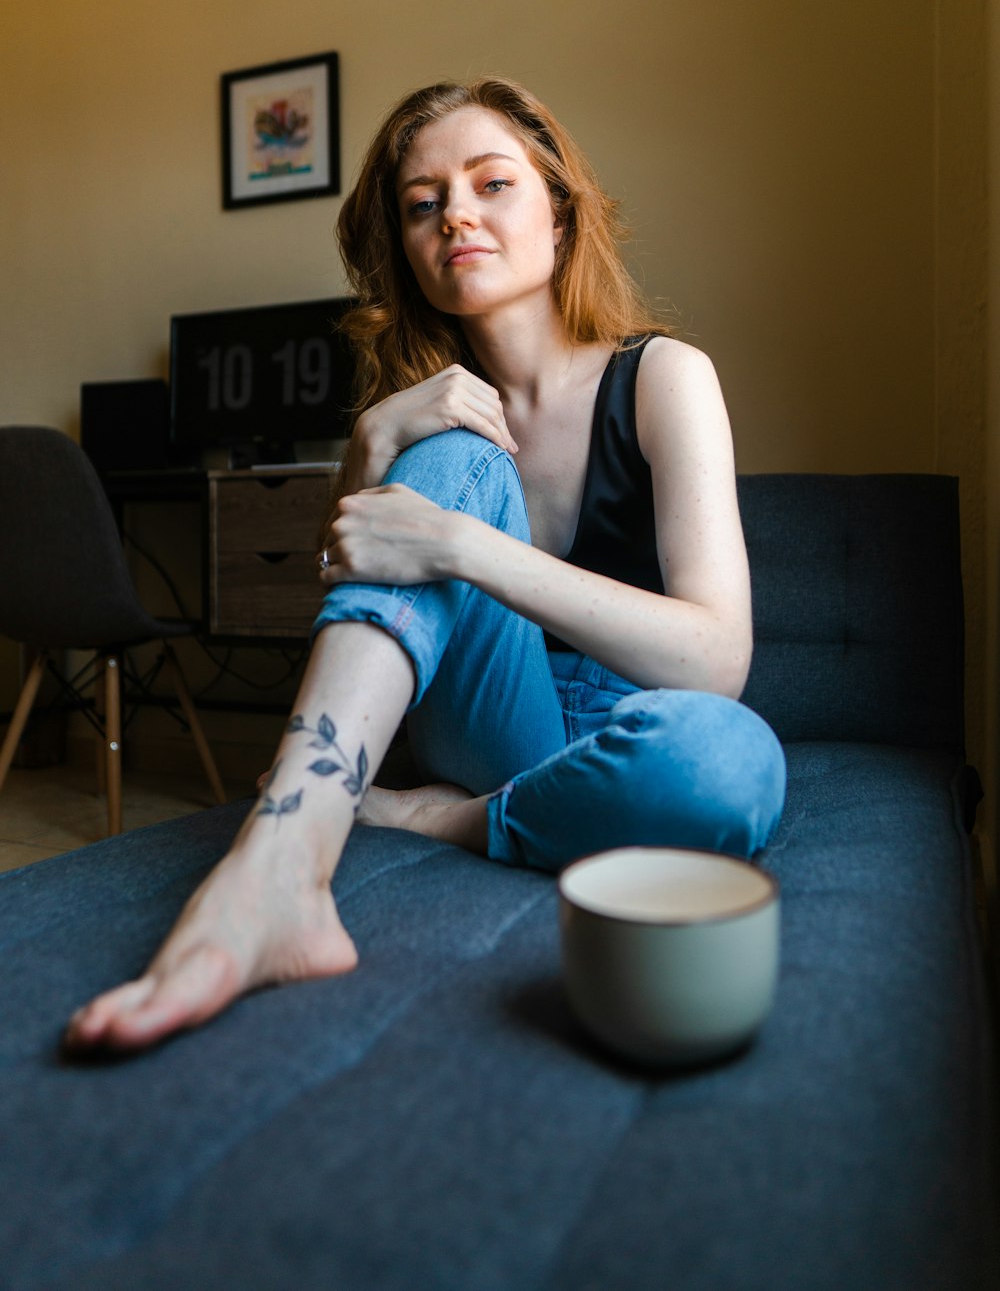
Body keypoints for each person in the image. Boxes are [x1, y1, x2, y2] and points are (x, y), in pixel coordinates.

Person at [65, 77, 786, 1053]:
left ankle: (457, 820)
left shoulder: (663, 378)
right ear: (405, 250)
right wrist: (370, 444)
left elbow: (715, 664)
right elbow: (347, 600)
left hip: (631, 733)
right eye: (422, 203)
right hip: (490, 712)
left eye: (492, 184)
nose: (456, 215)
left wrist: (460, 547)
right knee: (449, 448)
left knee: (728, 766)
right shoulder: (427, 417)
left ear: (561, 216)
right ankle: (278, 869)